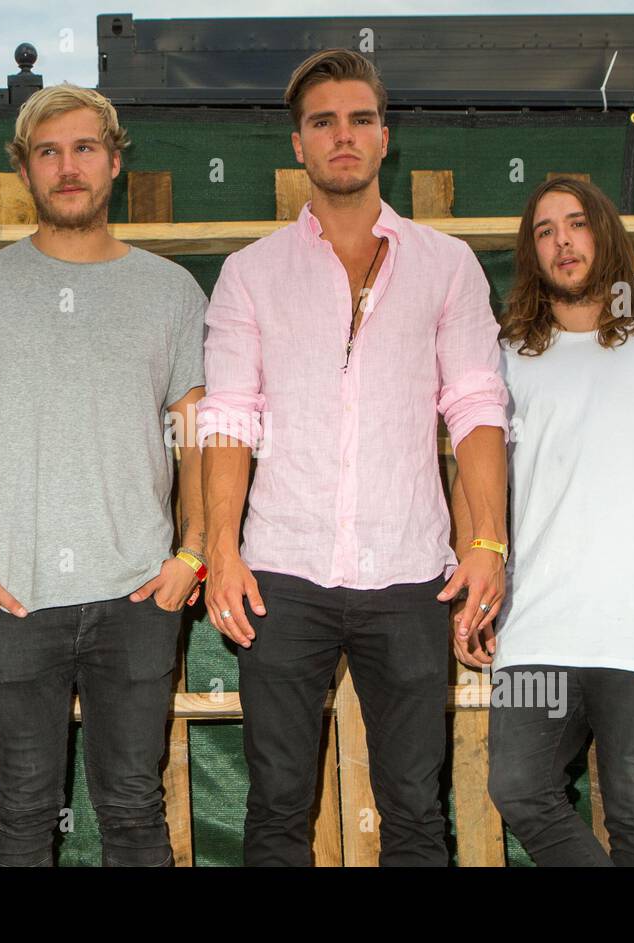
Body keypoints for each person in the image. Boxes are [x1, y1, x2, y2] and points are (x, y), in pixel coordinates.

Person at [197, 49, 510, 866]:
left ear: (384, 138)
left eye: (360, 119)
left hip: (410, 572)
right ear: (298, 144)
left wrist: (488, 543)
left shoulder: (448, 265)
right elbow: (229, 419)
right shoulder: (249, 273)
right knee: (275, 807)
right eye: (323, 122)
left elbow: (475, 407)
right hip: (281, 572)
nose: (344, 135)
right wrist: (220, 552)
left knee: (414, 807)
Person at [0, 83, 208, 867]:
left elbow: (200, 438)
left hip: (139, 593)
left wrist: (193, 555)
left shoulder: (171, 291)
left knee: (134, 809)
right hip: (11, 596)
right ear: (23, 168)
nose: (67, 166)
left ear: (114, 161)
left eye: (83, 148)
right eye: (48, 151)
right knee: (21, 809)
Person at [451, 177, 634, 866]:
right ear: (532, 253)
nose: (562, 241)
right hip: (531, 626)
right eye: (545, 230)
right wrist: (475, 594)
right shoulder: (502, 359)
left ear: (604, 234)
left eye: (575, 224)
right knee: (518, 788)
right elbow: (472, 480)